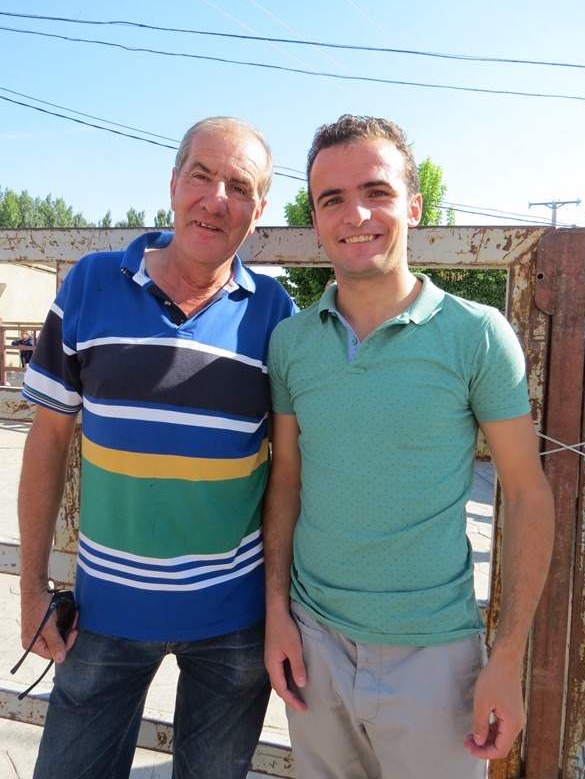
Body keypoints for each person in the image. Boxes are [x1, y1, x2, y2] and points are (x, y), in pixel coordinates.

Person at [263, 114, 555, 779]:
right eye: (332, 199)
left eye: (377, 192)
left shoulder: (478, 335)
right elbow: (286, 482)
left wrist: (507, 658)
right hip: (313, 645)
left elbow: (527, 495)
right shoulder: (290, 342)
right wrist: (277, 611)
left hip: (436, 659)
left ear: (415, 207)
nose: (356, 214)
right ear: (316, 220)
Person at [17, 116, 296, 779]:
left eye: (239, 187)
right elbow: (48, 441)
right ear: (173, 184)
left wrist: (279, 609)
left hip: (234, 623)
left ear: (258, 211)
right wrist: (31, 590)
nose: (216, 199)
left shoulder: (276, 315)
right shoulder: (89, 284)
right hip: (103, 615)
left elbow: (288, 473)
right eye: (201, 176)